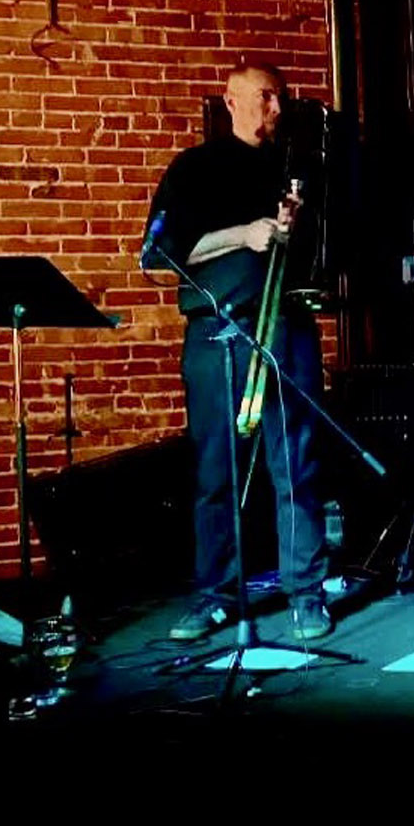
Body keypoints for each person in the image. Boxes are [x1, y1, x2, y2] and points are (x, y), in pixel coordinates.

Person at [145, 61, 333, 642]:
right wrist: (244, 234)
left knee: (297, 465)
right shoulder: (194, 168)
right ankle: (215, 597)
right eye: (265, 97)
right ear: (231, 101)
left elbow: (327, 254)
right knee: (215, 472)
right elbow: (159, 255)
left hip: (287, 327)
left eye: (280, 100)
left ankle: (306, 594)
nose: (274, 109)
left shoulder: (297, 170)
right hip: (217, 333)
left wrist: (296, 230)